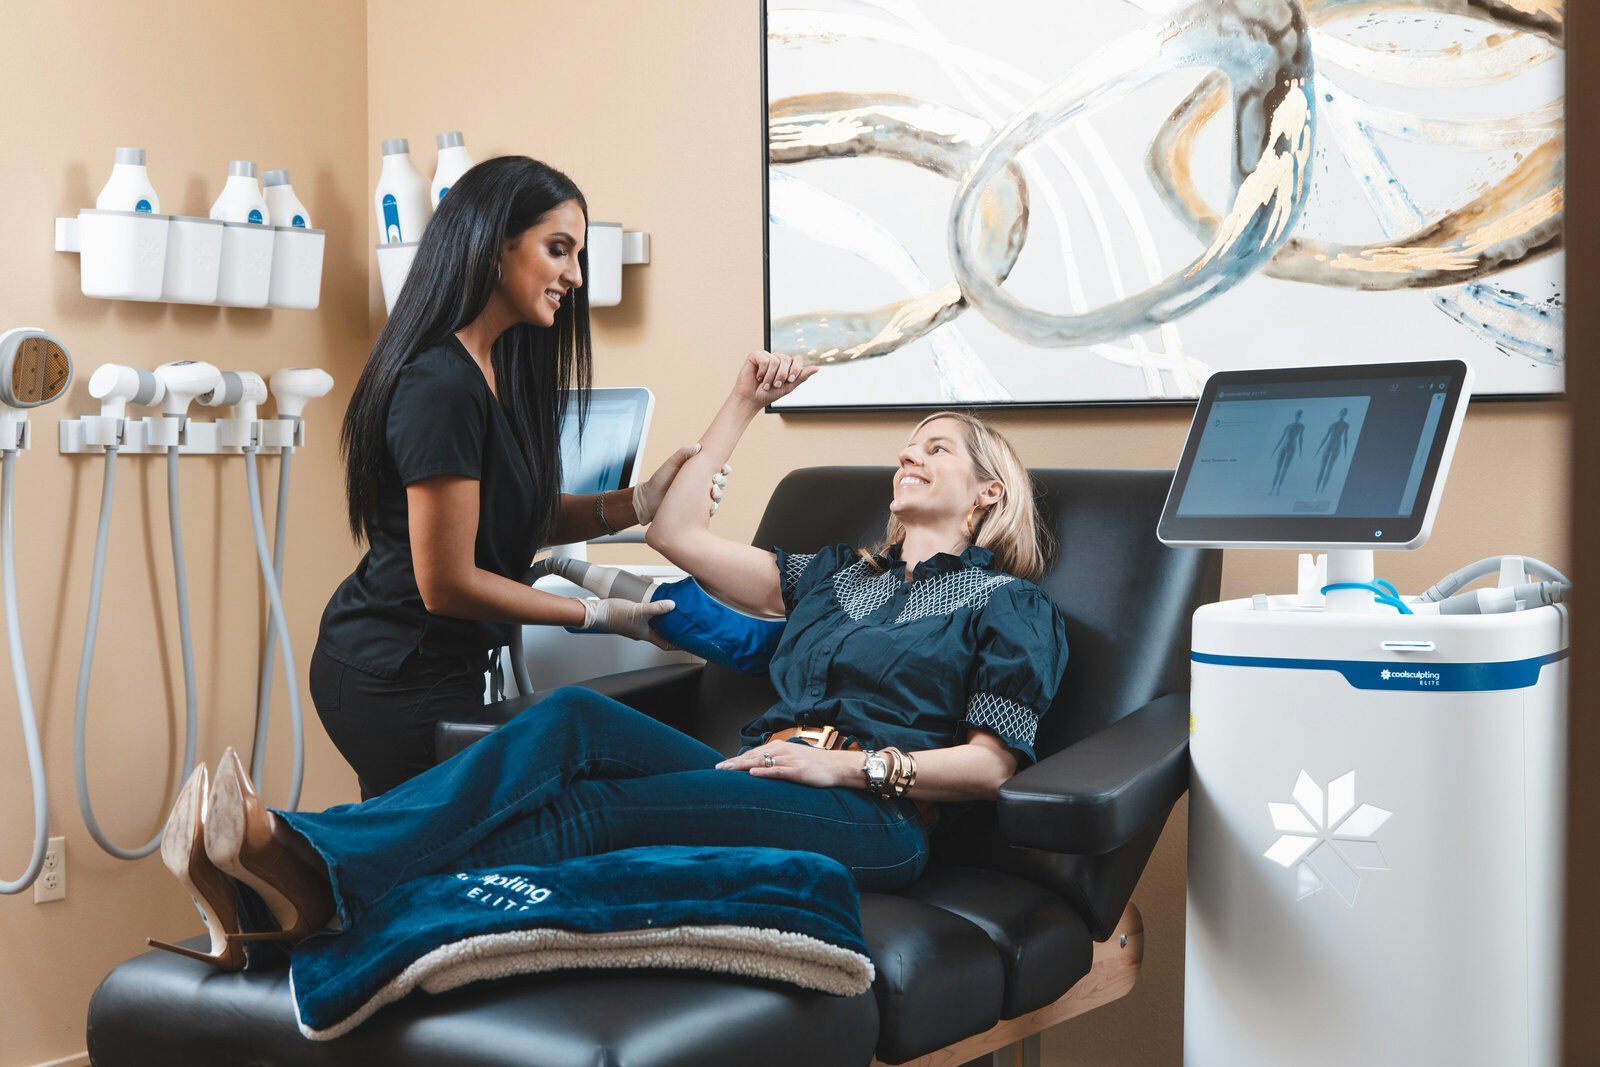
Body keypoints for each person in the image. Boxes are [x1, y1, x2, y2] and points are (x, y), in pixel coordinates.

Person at [150, 352, 1069, 972]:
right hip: (762, 770)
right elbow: (674, 531)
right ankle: (308, 867)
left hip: (874, 815)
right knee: (572, 718)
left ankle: (311, 870)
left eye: (935, 447)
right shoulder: (834, 575)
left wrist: (848, 767)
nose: (909, 454)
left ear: (987, 494)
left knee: (594, 810)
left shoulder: (1009, 605)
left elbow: (990, 765)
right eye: (907, 444)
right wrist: (743, 401)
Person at [314, 156, 711, 798]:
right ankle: (270, 848)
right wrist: (593, 614)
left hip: (438, 666)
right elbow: (447, 583)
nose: (574, 275)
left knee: (417, 845)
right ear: (495, 245)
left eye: (578, 255)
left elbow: (512, 516)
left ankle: (275, 851)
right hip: (393, 672)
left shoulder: (493, 369)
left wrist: (638, 501)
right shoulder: (441, 384)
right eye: (559, 249)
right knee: (421, 848)